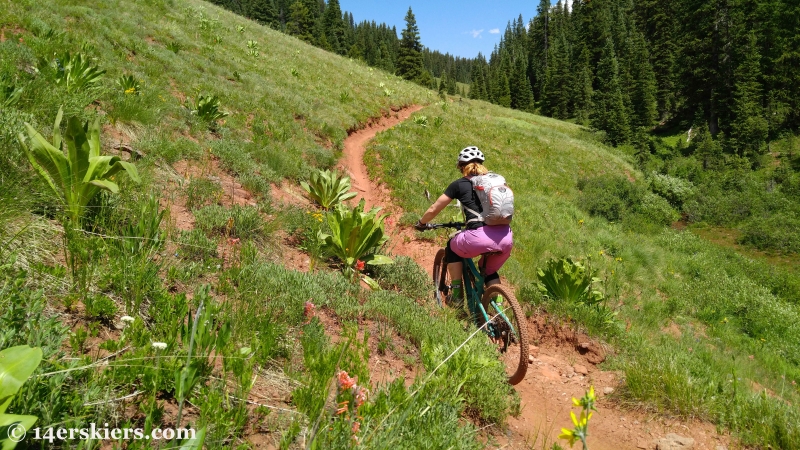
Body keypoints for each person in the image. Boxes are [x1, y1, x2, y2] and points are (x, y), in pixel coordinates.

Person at [415, 146, 513, 300]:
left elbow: (434, 208)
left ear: (461, 166)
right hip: (506, 238)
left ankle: (456, 295)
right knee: (488, 271)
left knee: (452, 247)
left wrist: (421, 223)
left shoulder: (459, 184)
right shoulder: (497, 181)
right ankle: (499, 308)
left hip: (478, 237)